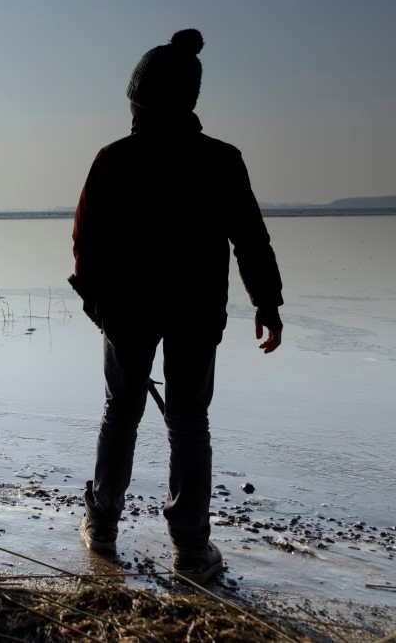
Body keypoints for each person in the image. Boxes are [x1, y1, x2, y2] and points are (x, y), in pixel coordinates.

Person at [68, 29, 284, 584]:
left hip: (128, 312)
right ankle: (191, 547)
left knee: (123, 413)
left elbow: (85, 242)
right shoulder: (221, 160)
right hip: (194, 310)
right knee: (189, 423)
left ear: (137, 100)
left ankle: (103, 523)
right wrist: (268, 302)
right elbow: (252, 241)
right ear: (189, 100)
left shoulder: (115, 159)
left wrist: (96, 303)